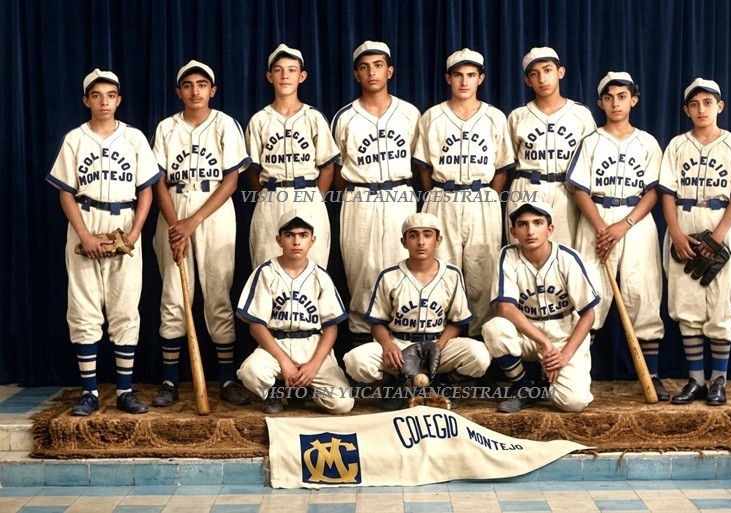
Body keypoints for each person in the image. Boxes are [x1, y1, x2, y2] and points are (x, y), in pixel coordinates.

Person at [46, 69, 160, 416]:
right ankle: (90, 392)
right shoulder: (75, 139)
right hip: (86, 218)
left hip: (123, 221)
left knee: (125, 308)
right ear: (87, 101)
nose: (104, 102)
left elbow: (146, 190)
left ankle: (125, 390)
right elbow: (66, 193)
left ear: (119, 100)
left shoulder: (134, 138)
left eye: (110, 95)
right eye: (96, 95)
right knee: (84, 309)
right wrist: (83, 234)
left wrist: (135, 232)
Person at [151, 60, 252, 407]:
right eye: (188, 85)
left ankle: (226, 378)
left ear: (213, 90)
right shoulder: (166, 127)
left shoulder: (225, 124)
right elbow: (158, 181)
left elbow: (232, 180)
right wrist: (175, 226)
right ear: (179, 92)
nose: (195, 91)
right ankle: (169, 379)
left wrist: (191, 222)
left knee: (218, 293)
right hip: (173, 210)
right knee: (173, 295)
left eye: (202, 84)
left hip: (214, 212)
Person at [565, 72, 668, 401]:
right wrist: (601, 227)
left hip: (636, 221)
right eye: (609, 98)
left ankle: (652, 375)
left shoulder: (647, 142)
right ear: (600, 103)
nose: (615, 103)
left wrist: (623, 225)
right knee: (590, 295)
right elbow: (579, 189)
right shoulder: (591, 141)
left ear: (633, 100)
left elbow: (653, 191)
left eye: (622, 97)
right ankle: (579, 375)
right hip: (596, 218)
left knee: (643, 292)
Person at [660, 78, 731, 406]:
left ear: (720, 106)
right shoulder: (677, 145)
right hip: (684, 223)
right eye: (694, 104)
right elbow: (667, 192)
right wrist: (676, 233)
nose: (701, 109)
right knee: (686, 304)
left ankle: (719, 380)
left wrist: (718, 236)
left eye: (707, 103)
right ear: (686, 110)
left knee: (720, 305)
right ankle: (696, 380)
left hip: (721, 224)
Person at [412, 48, 516, 337]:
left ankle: (480, 342)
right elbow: (423, 167)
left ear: (480, 78)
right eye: (458, 75)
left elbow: (502, 168)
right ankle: (441, 342)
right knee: (441, 270)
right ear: (448, 78)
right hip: (442, 195)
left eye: (471, 75)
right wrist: (436, 194)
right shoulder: (432, 116)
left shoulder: (494, 117)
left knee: (482, 274)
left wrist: (489, 196)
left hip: (481, 196)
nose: (464, 81)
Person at [343, 213, 492, 410]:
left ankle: (441, 382)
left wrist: (438, 347)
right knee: (355, 361)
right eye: (413, 235)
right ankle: (394, 385)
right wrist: (388, 346)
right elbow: (377, 322)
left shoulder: (451, 274)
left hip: (438, 343)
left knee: (480, 355)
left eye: (427, 235)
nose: (421, 242)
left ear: (438, 240)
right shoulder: (390, 276)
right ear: (404, 242)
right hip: (400, 345)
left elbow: (457, 321)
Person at [331, 41, 420, 342]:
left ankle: (404, 348)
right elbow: (336, 170)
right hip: (360, 198)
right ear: (356, 74)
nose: (372, 72)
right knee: (362, 275)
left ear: (389, 71)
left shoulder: (409, 113)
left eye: (378, 65)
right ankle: (362, 351)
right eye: (364, 67)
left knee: (403, 269)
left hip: (399, 195)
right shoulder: (345, 116)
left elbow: (420, 163)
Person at [482, 201, 599, 413]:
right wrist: (544, 343)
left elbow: (588, 315)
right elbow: (505, 308)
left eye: (538, 223)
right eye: (523, 224)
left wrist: (564, 355)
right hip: (528, 333)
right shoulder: (508, 255)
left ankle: (546, 385)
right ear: (513, 232)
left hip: (564, 332)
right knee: (494, 328)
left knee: (574, 402)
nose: (530, 231)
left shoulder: (568, 258)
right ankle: (524, 387)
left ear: (550, 229)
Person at [236, 209, 353, 414]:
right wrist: (284, 361)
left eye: (303, 235)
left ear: (312, 240)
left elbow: (331, 327)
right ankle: (276, 392)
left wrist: (314, 364)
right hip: (276, 345)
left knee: (342, 403)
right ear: (279, 240)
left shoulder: (320, 276)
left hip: (312, 345)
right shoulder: (266, 272)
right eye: (289, 235)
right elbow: (256, 326)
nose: (296, 242)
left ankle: (301, 391)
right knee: (250, 372)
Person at [245, 44, 339, 269]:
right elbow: (252, 170)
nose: (285, 76)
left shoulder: (313, 117)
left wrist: (315, 197)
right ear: (270, 77)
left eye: (291, 70)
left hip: (307, 193)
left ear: (302, 76)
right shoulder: (259, 120)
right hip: (271, 196)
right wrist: (266, 196)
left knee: (313, 267)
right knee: (267, 266)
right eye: (278, 70)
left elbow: (327, 167)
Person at [507, 47, 597, 247]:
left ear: (560, 72)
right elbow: (508, 163)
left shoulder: (581, 114)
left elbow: (591, 161)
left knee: (566, 254)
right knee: (523, 251)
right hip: (527, 187)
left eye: (547, 70)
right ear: (527, 81)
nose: (542, 79)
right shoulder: (518, 116)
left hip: (568, 191)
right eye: (534, 74)